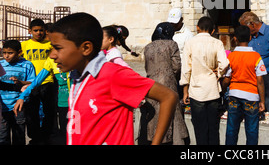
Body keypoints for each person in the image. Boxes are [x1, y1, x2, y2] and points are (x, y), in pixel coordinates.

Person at [47, 12, 178, 145]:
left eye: (58, 48)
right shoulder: (77, 77)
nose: (52, 55)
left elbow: (168, 96)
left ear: (86, 48)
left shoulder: (113, 74)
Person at [180, 16, 229, 145]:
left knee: (199, 126)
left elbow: (186, 69)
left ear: (197, 28)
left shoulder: (190, 43)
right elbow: (224, 63)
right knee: (213, 126)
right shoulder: (217, 43)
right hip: (212, 89)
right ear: (212, 30)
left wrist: (185, 91)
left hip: (196, 91)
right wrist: (218, 73)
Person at [138, 22, 189, 145]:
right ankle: (171, 139)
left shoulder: (148, 47)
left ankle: (154, 138)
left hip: (152, 84)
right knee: (170, 111)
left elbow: (147, 67)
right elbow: (177, 66)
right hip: (168, 83)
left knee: (154, 114)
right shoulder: (172, 44)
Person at [222, 25, 266, 145]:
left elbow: (227, 78)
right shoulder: (256, 56)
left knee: (232, 128)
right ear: (250, 38)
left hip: (234, 94)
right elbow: (260, 80)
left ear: (235, 38)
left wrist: (222, 89)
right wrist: (262, 100)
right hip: (251, 97)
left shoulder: (231, 56)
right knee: (251, 130)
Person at [13, 57, 70, 145]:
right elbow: (37, 81)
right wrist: (22, 96)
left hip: (79, 103)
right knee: (66, 134)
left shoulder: (77, 57)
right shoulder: (51, 60)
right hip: (63, 103)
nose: (52, 54)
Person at [20, 19, 56, 145]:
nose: (39, 33)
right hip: (30, 84)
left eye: (41, 30)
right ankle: (34, 136)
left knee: (49, 111)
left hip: (47, 81)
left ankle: (46, 135)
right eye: (36, 30)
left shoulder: (49, 45)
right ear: (30, 31)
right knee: (31, 111)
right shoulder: (24, 45)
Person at [0, 40, 35, 145]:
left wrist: (21, 82)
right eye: (4, 53)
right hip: (3, 107)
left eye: (10, 53)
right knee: (2, 136)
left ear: (19, 52)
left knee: (19, 136)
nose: (6, 56)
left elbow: (33, 83)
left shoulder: (27, 65)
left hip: (19, 106)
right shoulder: (1, 65)